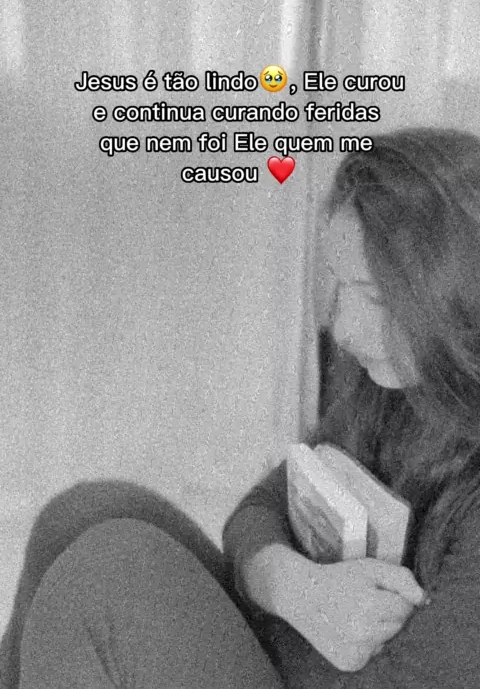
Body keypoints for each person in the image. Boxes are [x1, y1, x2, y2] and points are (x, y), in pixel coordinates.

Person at [2, 125, 480, 688]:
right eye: (339, 285)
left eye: (375, 296)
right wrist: (295, 589)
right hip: (303, 654)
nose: (343, 328)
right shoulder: (397, 386)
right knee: (87, 512)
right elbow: (261, 507)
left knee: (108, 573)